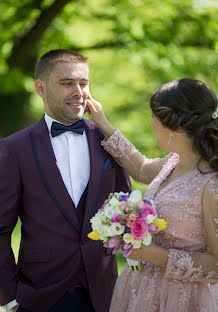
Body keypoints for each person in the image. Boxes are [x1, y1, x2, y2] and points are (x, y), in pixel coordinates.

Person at [0, 49, 132, 312]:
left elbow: (127, 211)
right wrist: (10, 298)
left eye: (84, 83)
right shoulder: (13, 149)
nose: (79, 92)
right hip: (40, 297)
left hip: (104, 295)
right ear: (41, 88)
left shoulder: (109, 142)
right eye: (67, 83)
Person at [86, 78, 218, 312]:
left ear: (174, 125)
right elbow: (140, 168)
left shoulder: (211, 183)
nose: (152, 125)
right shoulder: (174, 161)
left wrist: (157, 255)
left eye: (155, 118)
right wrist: (103, 124)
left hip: (182, 300)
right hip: (140, 291)